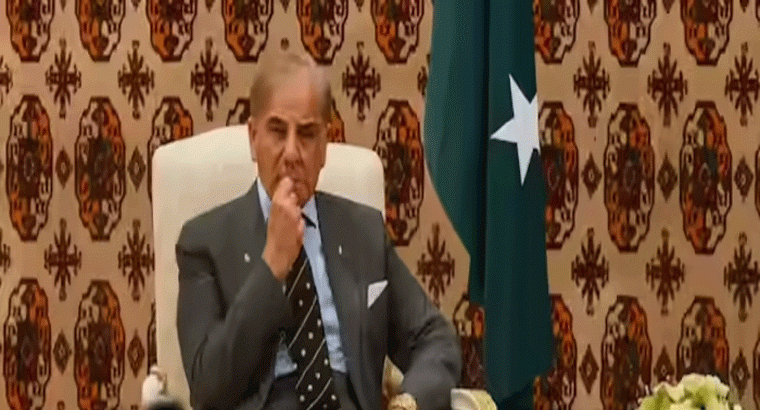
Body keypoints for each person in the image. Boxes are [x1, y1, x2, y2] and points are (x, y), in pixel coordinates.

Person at [175, 52, 461, 410]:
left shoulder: (362, 232)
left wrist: (408, 403)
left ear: (324, 147)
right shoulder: (204, 242)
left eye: (308, 135)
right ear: (253, 137)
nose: (292, 153)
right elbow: (207, 387)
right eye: (278, 131)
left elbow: (434, 338)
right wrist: (271, 267)